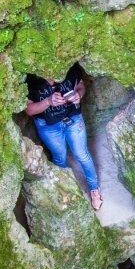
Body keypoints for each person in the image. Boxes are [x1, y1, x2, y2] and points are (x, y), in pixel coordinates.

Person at [25, 63, 103, 211]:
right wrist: (48, 101)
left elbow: (80, 85)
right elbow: (29, 110)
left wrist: (78, 95)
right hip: (48, 126)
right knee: (59, 157)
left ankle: (94, 189)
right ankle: (65, 190)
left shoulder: (69, 66)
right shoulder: (30, 80)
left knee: (82, 154)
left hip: (73, 119)